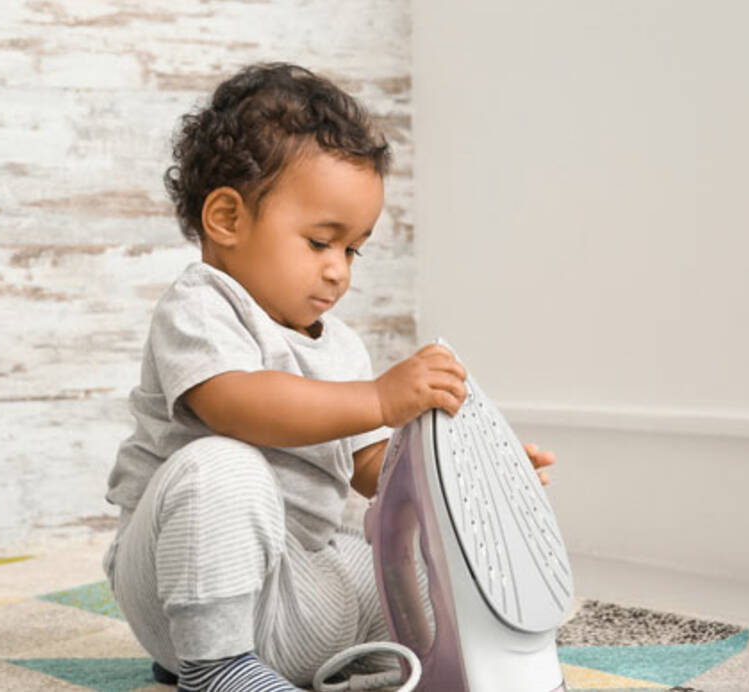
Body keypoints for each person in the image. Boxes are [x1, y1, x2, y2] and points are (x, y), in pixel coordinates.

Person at [102, 62, 557, 692]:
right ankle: (213, 665)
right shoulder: (203, 306)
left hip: (295, 585)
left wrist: (471, 475)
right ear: (228, 220)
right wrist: (377, 398)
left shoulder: (340, 347)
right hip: (177, 576)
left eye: (353, 249)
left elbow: (373, 470)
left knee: (410, 561)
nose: (339, 270)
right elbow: (239, 405)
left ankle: (372, 659)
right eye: (320, 242)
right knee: (220, 467)